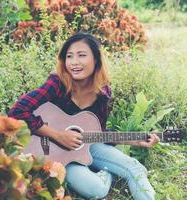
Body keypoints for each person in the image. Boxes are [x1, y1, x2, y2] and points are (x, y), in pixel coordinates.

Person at [8, 33, 159, 200]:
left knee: (135, 168)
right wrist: (58, 135)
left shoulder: (103, 92)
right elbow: (17, 112)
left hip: (87, 145)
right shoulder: (57, 83)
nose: (74, 62)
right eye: (69, 56)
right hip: (55, 155)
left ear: (96, 60)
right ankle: (104, 171)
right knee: (97, 190)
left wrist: (134, 140)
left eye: (82, 55)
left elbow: (98, 132)